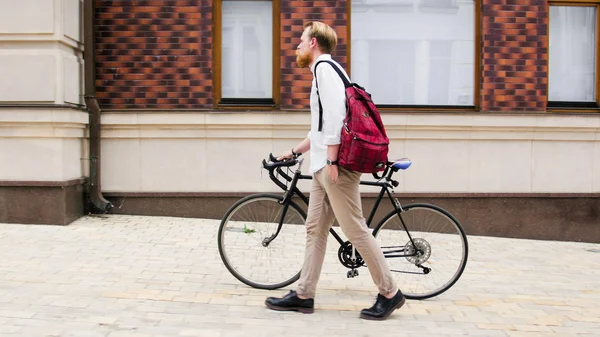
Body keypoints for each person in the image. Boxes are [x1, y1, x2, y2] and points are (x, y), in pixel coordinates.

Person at [264, 21, 405, 321]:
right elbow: (319, 128)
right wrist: (293, 152)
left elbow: (336, 120)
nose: (298, 47)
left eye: (301, 41)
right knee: (315, 228)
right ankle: (304, 294)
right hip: (322, 166)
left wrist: (331, 162)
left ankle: (390, 293)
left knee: (354, 229)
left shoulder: (324, 71)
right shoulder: (327, 71)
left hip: (334, 168)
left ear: (314, 42)